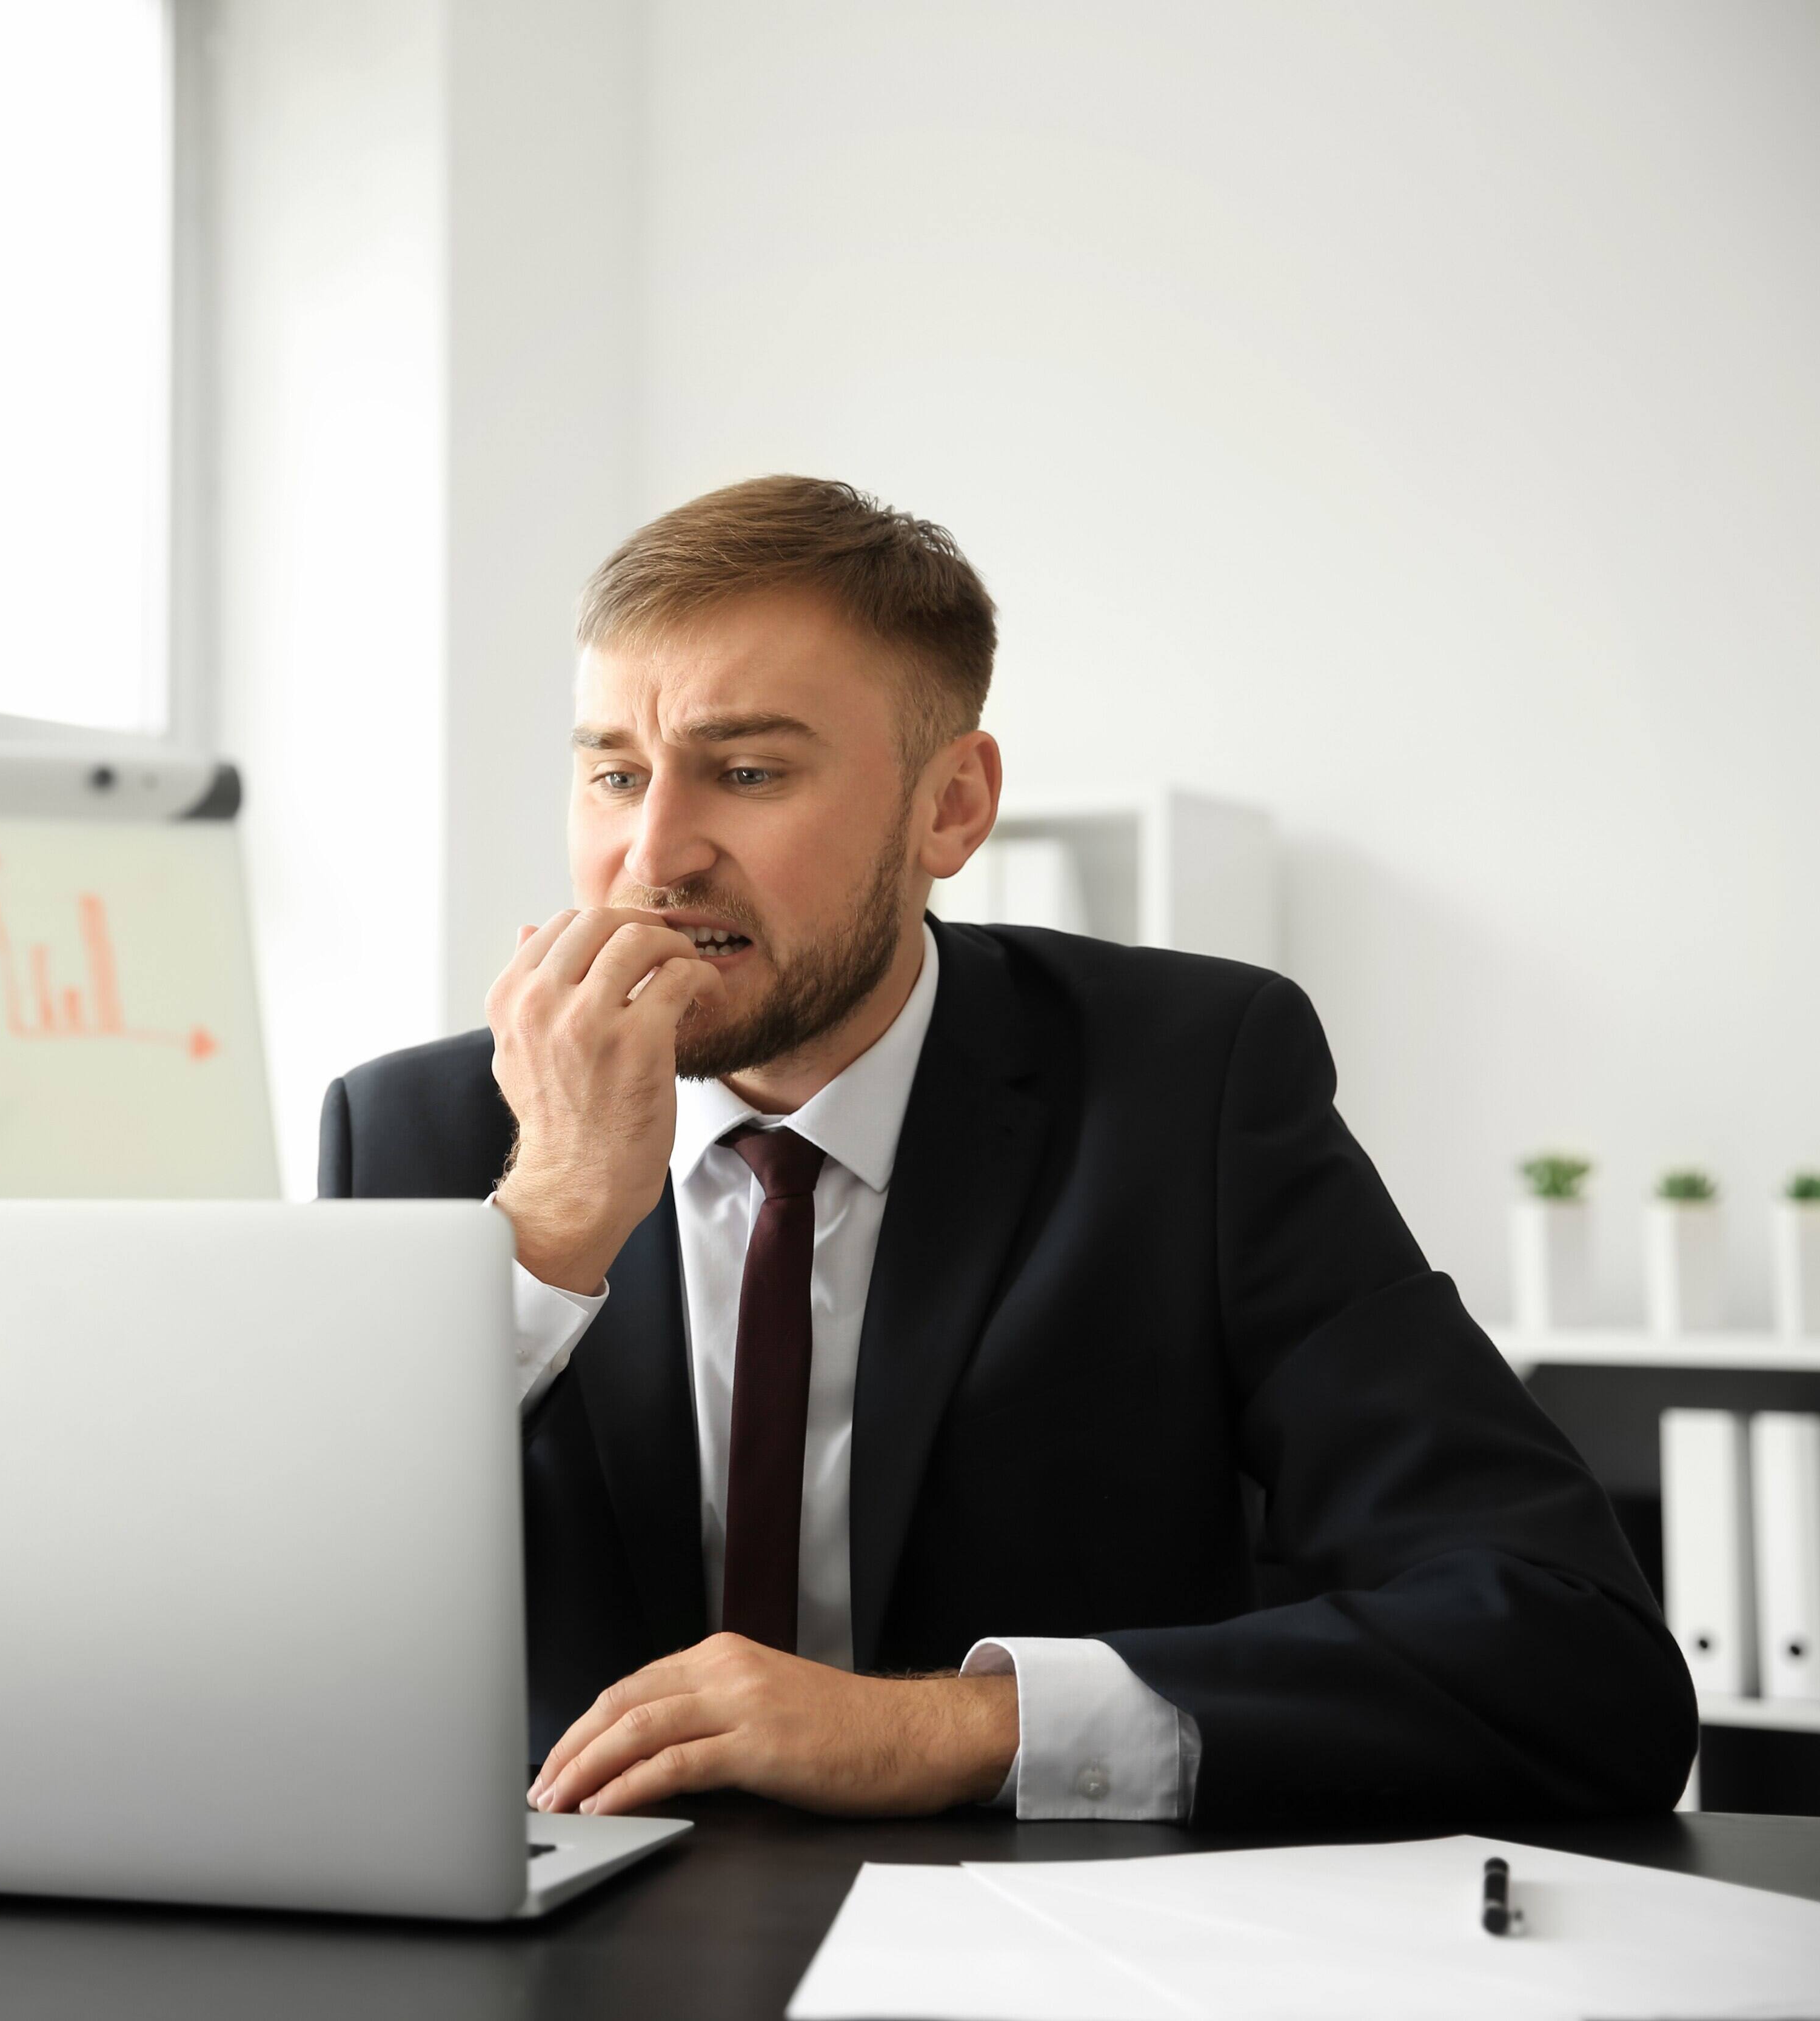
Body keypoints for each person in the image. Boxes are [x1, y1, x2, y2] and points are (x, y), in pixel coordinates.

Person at [317, 476, 1693, 1825]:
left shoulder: (1189, 1087)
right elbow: (275, 1631)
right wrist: (547, 1227)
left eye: (746, 771)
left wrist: (955, 1727)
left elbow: (1577, 1658)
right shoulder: (419, 1137)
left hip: (1034, 1943)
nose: (652, 855)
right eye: (614, 774)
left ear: (951, 808)